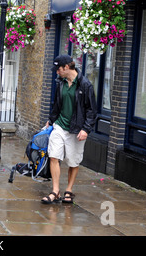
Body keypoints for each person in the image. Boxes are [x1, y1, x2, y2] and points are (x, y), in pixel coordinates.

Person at [41, 54, 97, 204]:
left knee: (73, 161)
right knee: (54, 156)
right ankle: (55, 191)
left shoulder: (85, 85)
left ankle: (69, 189)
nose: (56, 72)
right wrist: (51, 120)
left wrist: (86, 129)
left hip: (76, 129)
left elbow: (91, 111)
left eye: (58, 69)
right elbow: (57, 105)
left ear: (66, 67)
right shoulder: (61, 83)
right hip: (60, 125)